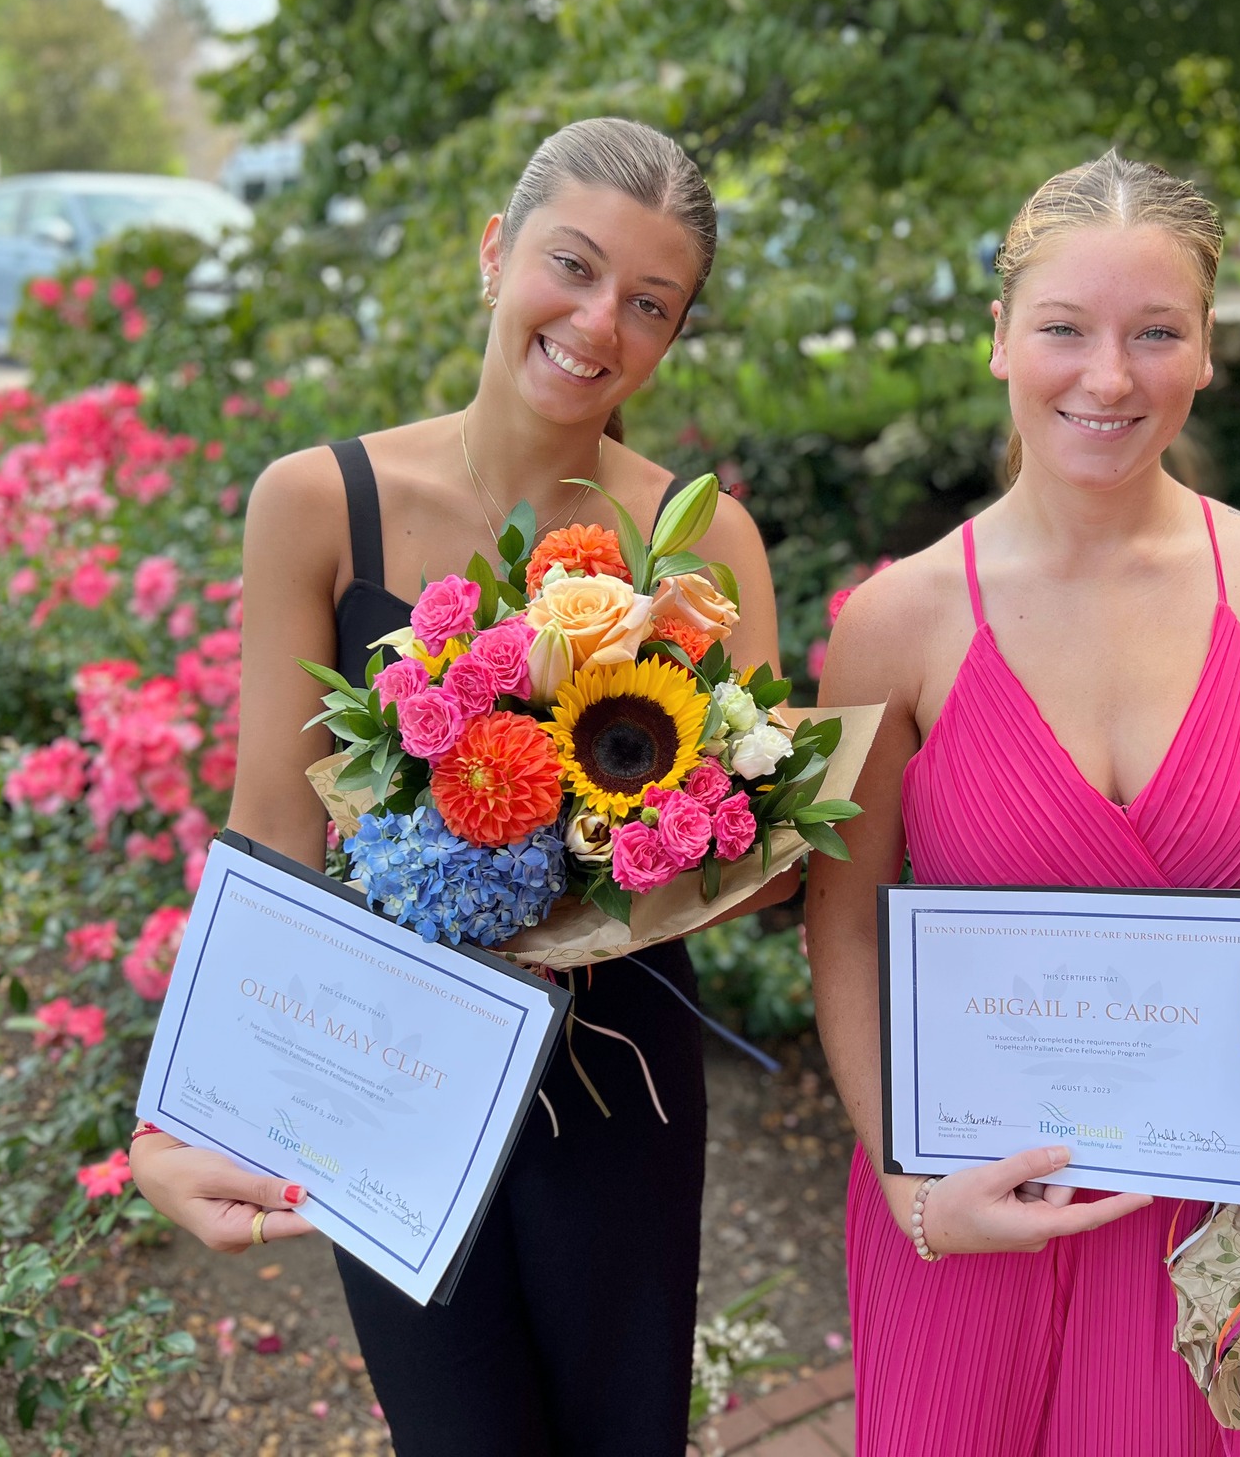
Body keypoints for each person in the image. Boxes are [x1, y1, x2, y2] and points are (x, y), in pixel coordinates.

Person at [804, 151, 1240, 1455]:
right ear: (1000, 343)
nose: (1109, 376)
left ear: (1205, 356)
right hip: (966, 1200)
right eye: (1065, 329)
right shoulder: (896, 621)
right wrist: (912, 1193)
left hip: (1201, 1212)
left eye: (1157, 334)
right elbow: (842, 926)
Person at [132, 117, 790, 1457]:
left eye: (650, 304)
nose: (601, 323)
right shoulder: (319, 504)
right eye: (575, 266)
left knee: (624, 1435)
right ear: (496, 253)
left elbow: (749, 847)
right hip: (394, 1069)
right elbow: (270, 831)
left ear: (670, 339)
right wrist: (178, 1119)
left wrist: (601, 877)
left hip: (624, 1079)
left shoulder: (709, 542)